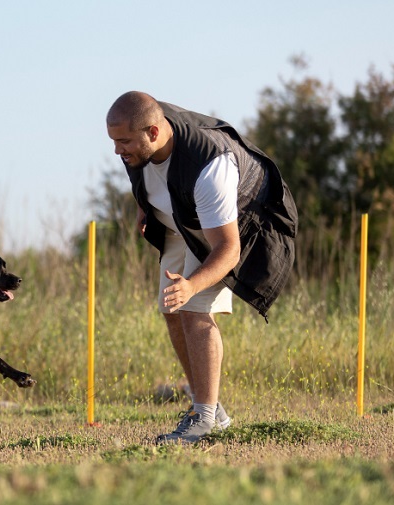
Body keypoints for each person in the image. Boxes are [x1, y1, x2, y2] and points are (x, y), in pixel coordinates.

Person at [106, 91, 297, 444]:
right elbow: (146, 174)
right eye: (113, 141)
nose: (118, 150)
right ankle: (208, 408)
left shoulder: (210, 168)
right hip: (183, 215)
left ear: (153, 132)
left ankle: (205, 420)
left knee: (193, 307)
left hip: (230, 223)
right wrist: (145, 206)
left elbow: (227, 249)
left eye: (124, 142)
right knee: (171, 307)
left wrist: (192, 285)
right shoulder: (139, 139)